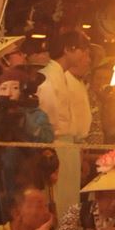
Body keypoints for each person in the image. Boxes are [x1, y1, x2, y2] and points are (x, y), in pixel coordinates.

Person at [36, 29, 93, 212]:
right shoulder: (48, 76)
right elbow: (45, 117)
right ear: (68, 49)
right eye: (82, 49)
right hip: (55, 145)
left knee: (69, 201)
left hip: (68, 146)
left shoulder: (64, 76)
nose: (85, 55)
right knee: (57, 200)